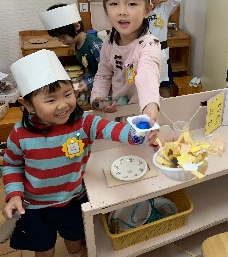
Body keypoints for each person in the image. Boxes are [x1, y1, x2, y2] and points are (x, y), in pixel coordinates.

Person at [1, 49, 160, 257]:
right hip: (34, 207)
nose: (62, 105)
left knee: (75, 240)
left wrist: (142, 134)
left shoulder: (84, 122)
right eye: (50, 100)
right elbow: (12, 164)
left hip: (73, 200)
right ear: (28, 104)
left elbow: (113, 130)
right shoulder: (20, 134)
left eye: (67, 94)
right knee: (43, 249)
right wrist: (14, 195)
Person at [91, 0, 161, 127]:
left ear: (147, 10)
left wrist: (150, 103)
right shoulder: (109, 41)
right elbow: (103, 75)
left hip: (141, 113)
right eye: (114, 3)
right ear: (106, 8)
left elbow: (147, 73)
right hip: (116, 112)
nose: (122, 11)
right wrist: (97, 98)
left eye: (131, 3)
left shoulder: (149, 44)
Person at [39, 3, 103, 105]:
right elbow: (92, 70)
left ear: (76, 26)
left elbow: (109, 74)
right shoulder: (77, 44)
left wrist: (87, 83)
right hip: (95, 85)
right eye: (59, 38)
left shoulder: (94, 44)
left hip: (105, 90)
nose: (62, 41)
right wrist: (83, 82)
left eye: (63, 36)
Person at [148, 0, 181, 98]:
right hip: (146, 51)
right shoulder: (141, 10)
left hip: (162, 51)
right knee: (149, 85)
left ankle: (167, 109)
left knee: (164, 84)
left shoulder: (164, 8)